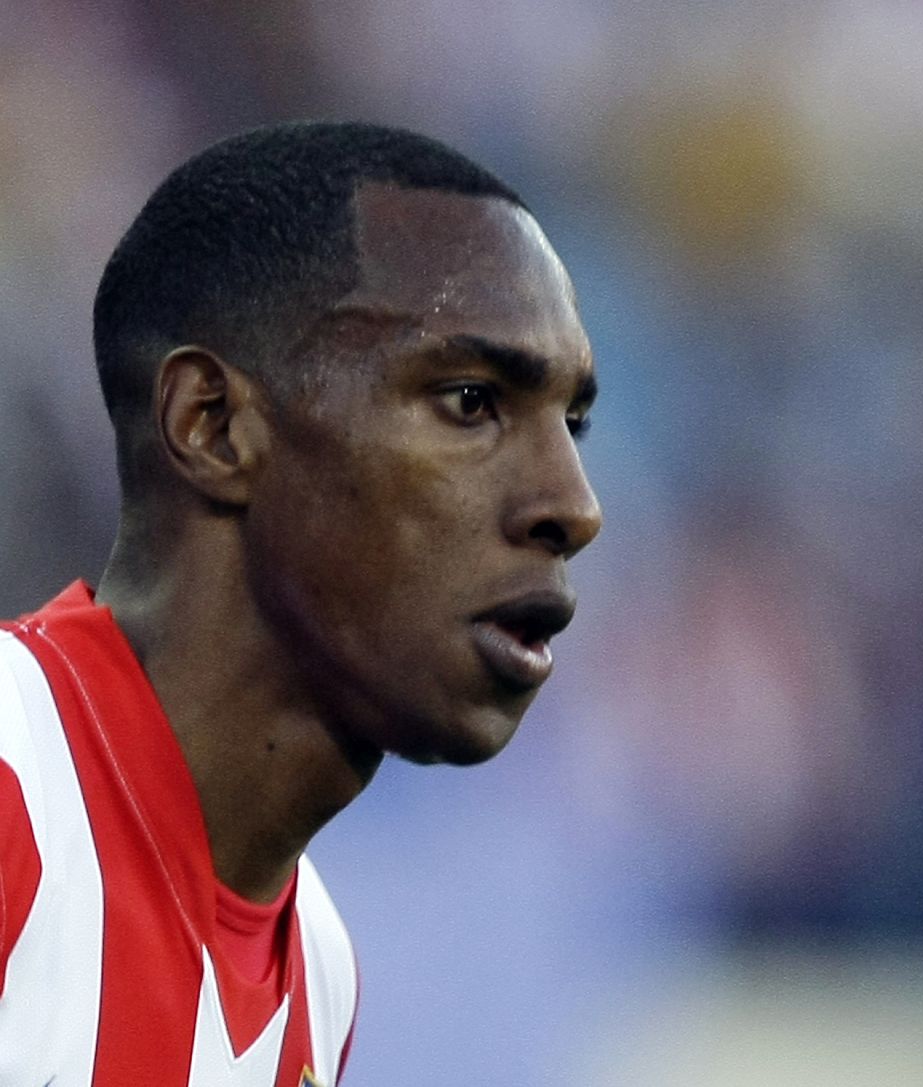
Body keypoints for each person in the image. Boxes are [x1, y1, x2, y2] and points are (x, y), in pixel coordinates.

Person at [0, 121, 603, 1085]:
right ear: (212, 425)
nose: (574, 506)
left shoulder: (318, 972)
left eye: (573, 423)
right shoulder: (14, 783)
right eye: (470, 400)